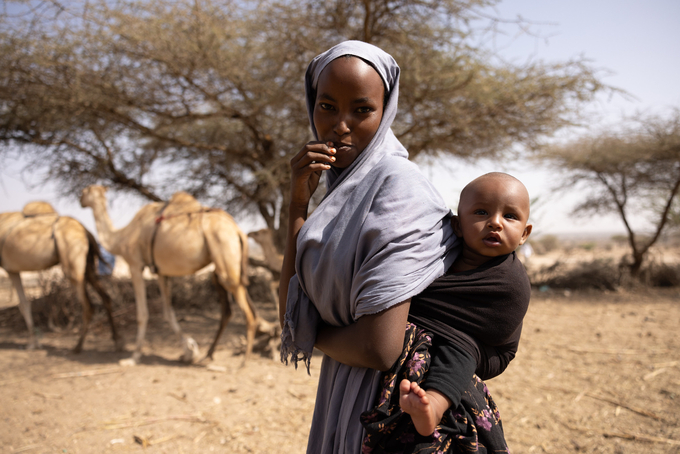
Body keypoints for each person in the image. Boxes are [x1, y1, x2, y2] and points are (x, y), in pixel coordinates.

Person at [279, 41, 459, 454]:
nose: (340, 125)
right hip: (343, 385)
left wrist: (308, 332)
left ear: (386, 111)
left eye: (362, 110)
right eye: (327, 107)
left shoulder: (399, 188)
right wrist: (295, 205)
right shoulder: (341, 194)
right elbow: (290, 307)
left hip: (391, 404)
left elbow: (379, 348)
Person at [360, 173, 532, 453]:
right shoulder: (437, 256)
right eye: (481, 212)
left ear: (524, 233)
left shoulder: (509, 282)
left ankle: (434, 406)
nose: (495, 222)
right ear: (457, 225)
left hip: (488, 349)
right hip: (457, 335)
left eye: (510, 216)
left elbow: (497, 325)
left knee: (459, 347)